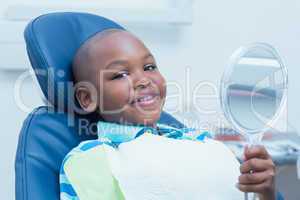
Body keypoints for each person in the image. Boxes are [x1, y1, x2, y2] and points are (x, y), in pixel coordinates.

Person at [59, 28, 277, 200]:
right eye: (120, 74)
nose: (144, 80)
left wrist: (265, 192)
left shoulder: (199, 141)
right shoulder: (91, 160)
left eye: (149, 67)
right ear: (87, 98)